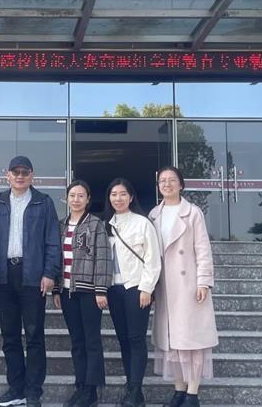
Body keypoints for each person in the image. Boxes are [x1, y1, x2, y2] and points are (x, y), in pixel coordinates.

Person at [0, 156, 61, 407]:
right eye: (15, 172)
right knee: (9, 335)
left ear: (32, 175)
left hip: (33, 276)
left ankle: (33, 392)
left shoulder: (44, 202)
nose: (20, 176)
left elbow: (52, 240)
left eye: (24, 172)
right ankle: (16, 388)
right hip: (4, 275)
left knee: (34, 335)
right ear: (7, 175)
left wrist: (50, 273)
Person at [149, 166, 218, 407]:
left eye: (172, 180)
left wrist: (204, 281)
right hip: (165, 287)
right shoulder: (154, 215)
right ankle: (178, 390)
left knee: (192, 341)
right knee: (172, 342)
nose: (167, 184)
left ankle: (192, 393)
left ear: (181, 184)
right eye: (162, 181)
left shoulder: (193, 213)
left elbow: (203, 249)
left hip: (188, 286)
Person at [52, 180, 112, 407]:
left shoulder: (96, 224)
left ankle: (91, 390)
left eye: (80, 196)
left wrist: (100, 289)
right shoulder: (60, 225)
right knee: (77, 341)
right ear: (66, 199)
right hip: (67, 291)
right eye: (72, 196)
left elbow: (103, 258)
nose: (76, 200)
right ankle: (80, 386)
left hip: (89, 292)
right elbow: (56, 259)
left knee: (91, 340)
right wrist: (56, 289)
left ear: (87, 200)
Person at [104, 178, 161, 407]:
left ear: (131, 197)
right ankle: (131, 387)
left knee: (136, 339)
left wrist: (147, 288)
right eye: (113, 194)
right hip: (114, 289)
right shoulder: (106, 225)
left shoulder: (142, 223)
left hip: (136, 288)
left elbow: (153, 259)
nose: (118, 198)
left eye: (122, 194)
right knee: (123, 340)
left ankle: (136, 390)